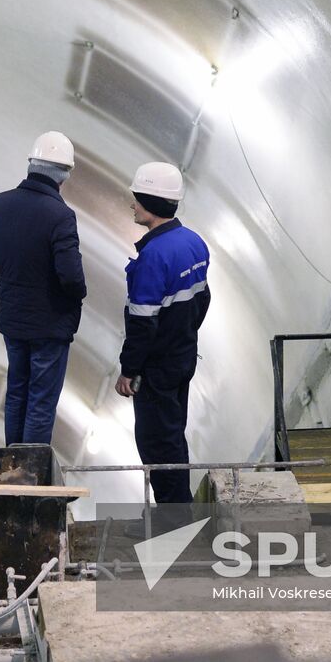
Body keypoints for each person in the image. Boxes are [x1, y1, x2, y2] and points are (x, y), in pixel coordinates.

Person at [0, 132, 87, 446]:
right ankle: (31, 476)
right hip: (50, 324)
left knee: (17, 391)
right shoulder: (61, 216)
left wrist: (11, 279)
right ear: (64, 174)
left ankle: (13, 464)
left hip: (14, 320)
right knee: (41, 400)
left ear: (31, 164)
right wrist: (76, 295)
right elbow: (71, 277)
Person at [114, 161, 210, 506]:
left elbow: (142, 324)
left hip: (156, 368)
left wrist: (128, 370)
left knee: (157, 443)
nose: (133, 205)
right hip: (182, 358)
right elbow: (203, 299)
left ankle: (175, 520)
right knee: (173, 435)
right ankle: (178, 512)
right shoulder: (194, 243)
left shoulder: (153, 257)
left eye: (137, 199)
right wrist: (182, 338)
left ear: (151, 204)